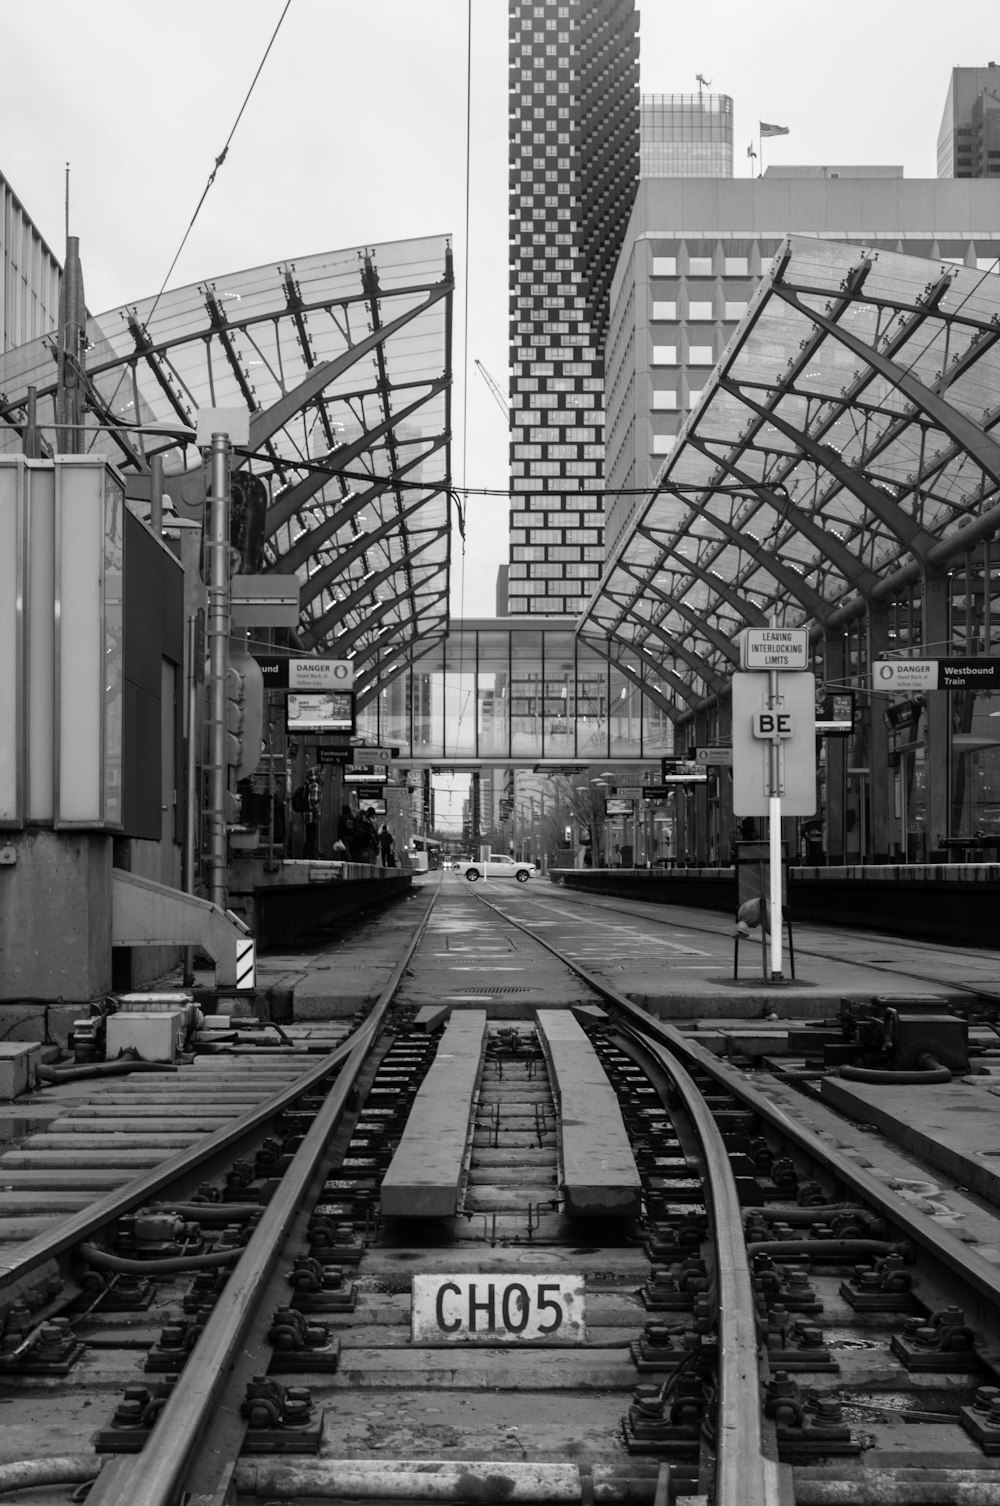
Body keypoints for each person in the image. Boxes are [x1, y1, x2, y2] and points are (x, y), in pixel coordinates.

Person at [302, 766, 322, 859]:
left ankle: (308, 856)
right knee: (311, 838)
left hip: (307, 814)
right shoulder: (315, 786)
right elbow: (313, 801)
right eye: (320, 774)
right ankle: (308, 857)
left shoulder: (308, 785)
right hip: (311, 815)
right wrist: (316, 814)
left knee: (309, 837)